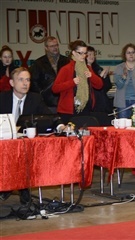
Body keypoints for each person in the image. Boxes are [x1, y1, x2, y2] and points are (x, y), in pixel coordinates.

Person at [0, 67, 53, 205]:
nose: (25, 83)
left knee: (24, 155)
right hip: (4, 142)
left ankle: (20, 189)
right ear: (12, 83)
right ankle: (9, 187)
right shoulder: (2, 98)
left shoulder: (35, 98)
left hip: (25, 145)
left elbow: (48, 116)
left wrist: (59, 125)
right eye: (21, 80)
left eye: (28, 80)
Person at [52, 40, 103, 124]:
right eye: (81, 53)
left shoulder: (88, 68)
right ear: (74, 53)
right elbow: (55, 88)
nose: (83, 56)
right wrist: (71, 82)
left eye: (85, 53)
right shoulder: (66, 69)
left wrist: (92, 76)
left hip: (85, 107)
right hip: (69, 111)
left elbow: (100, 85)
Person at [29, 36, 70, 113]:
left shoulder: (66, 61)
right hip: (47, 102)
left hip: (64, 100)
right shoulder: (39, 63)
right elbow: (33, 82)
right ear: (46, 48)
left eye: (56, 45)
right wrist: (41, 95)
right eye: (52, 46)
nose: (55, 48)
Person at [113, 43, 135, 119]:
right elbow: (119, 86)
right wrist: (123, 77)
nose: (131, 54)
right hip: (122, 103)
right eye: (128, 52)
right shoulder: (118, 68)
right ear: (124, 55)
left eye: (133, 52)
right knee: (123, 126)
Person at [86, 46, 113, 114]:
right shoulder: (83, 69)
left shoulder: (98, 69)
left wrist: (105, 76)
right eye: (89, 54)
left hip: (102, 102)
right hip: (90, 103)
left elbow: (108, 86)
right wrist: (100, 77)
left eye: (93, 54)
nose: (92, 56)